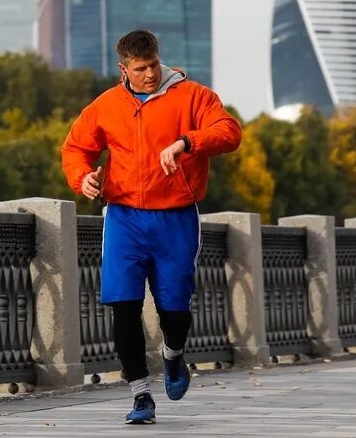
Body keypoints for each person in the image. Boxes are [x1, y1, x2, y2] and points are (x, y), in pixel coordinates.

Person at [60, 29, 242, 425]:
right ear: (123, 68)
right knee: (122, 304)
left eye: (154, 65)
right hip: (124, 217)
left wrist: (186, 143)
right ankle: (140, 395)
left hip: (176, 217)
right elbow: (76, 148)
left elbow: (229, 132)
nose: (149, 75)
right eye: (140, 69)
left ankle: (174, 355)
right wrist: (82, 178)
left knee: (173, 306)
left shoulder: (194, 96)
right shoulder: (106, 105)